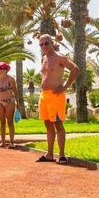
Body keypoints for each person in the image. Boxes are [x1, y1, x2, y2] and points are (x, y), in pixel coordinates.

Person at [35, 34, 78, 164]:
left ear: (52, 43)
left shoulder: (60, 57)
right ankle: (49, 154)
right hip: (44, 96)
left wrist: (65, 86)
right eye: (41, 44)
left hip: (56, 96)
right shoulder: (44, 58)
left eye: (46, 43)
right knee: (47, 125)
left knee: (58, 125)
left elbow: (75, 68)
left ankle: (62, 155)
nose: (43, 46)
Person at [0, 61, 19, 148]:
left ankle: (11, 142)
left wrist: (18, 102)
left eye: (4, 68)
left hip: (10, 101)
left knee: (10, 122)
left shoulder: (11, 79)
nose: (3, 69)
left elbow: (15, 92)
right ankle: (3, 142)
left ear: (7, 69)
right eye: (1, 68)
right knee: (2, 122)